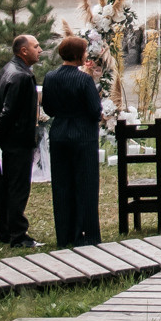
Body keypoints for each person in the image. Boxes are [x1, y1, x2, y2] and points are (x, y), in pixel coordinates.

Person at [41, 34, 104, 247]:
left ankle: (64, 234)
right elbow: (95, 109)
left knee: (61, 184)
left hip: (59, 133)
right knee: (86, 183)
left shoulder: (50, 77)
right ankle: (88, 234)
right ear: (79, 55)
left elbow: (47, 108)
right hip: (83, 134)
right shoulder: (84, 79)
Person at [0, 32, 42, 248]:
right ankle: (18, 234)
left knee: (7, 185)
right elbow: (9, 110)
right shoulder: (22, 76)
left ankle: (6, 230)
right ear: (23, 51)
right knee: (18, 187)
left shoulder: (9, 69)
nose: (40, 50)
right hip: (18, 139)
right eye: (36, 46)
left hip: (10, 140)